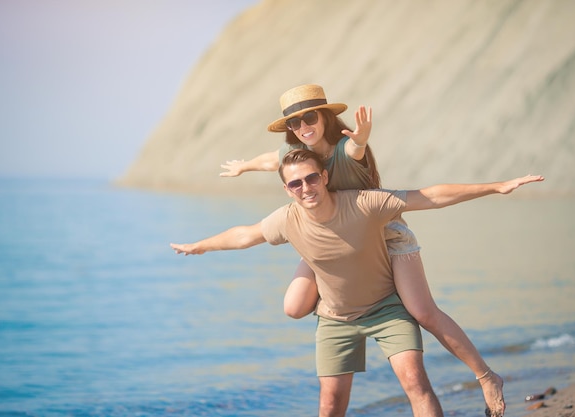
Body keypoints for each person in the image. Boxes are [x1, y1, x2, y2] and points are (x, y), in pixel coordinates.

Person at [172, 148, 545, 417]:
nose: (306, 187)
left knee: (416, 382)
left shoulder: (364, 203)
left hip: (386, 307)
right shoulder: (287, 220)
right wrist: (201, 246)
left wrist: (496, 187)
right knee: (330, 405)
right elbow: (244, 235)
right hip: (335, 318)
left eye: (312, 178)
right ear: (287, 189)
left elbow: (429, 196)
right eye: (296, 183)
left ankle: (486, 376)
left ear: (326, 177)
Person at [220, 84, 507, 415]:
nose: (302, 128)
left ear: (325, 116)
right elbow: (272, 159)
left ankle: (486, 377)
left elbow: (357, 150)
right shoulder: (296, 156)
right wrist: (244, 166)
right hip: (331, 237)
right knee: (294, 306)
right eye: (294, 124)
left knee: (422, 311)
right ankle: (341, 308)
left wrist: (361, 137)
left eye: (309, 117)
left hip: (382, 233)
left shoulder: (344, 148)